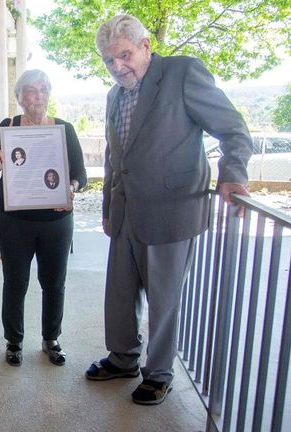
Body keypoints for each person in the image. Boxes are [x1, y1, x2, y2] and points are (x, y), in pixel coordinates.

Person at [85, 14, 252, 405]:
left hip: (171, 209)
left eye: (124, 55)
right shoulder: (114, 96)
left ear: (145, 47)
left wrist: (232, 172)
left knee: (164, 298)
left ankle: (158, 373)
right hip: (126, 212)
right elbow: (115, 157)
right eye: (109, 61)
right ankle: (123, 357)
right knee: (120, 294)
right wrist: (109, 207)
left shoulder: (182, 73)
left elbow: (232, 129)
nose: (117, 67)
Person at [0, 69, 87, 368]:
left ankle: (51, 338)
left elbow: (81, 175)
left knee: (54, 282)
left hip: (56, 221)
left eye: (42, 89)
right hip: (14, 221)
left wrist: (71, 187)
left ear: (49, 94)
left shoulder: (64, 129)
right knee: (15, 282)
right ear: (20, 97)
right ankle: (13, 341)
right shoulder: (8, 126)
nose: (37, 95)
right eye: (30, 90)